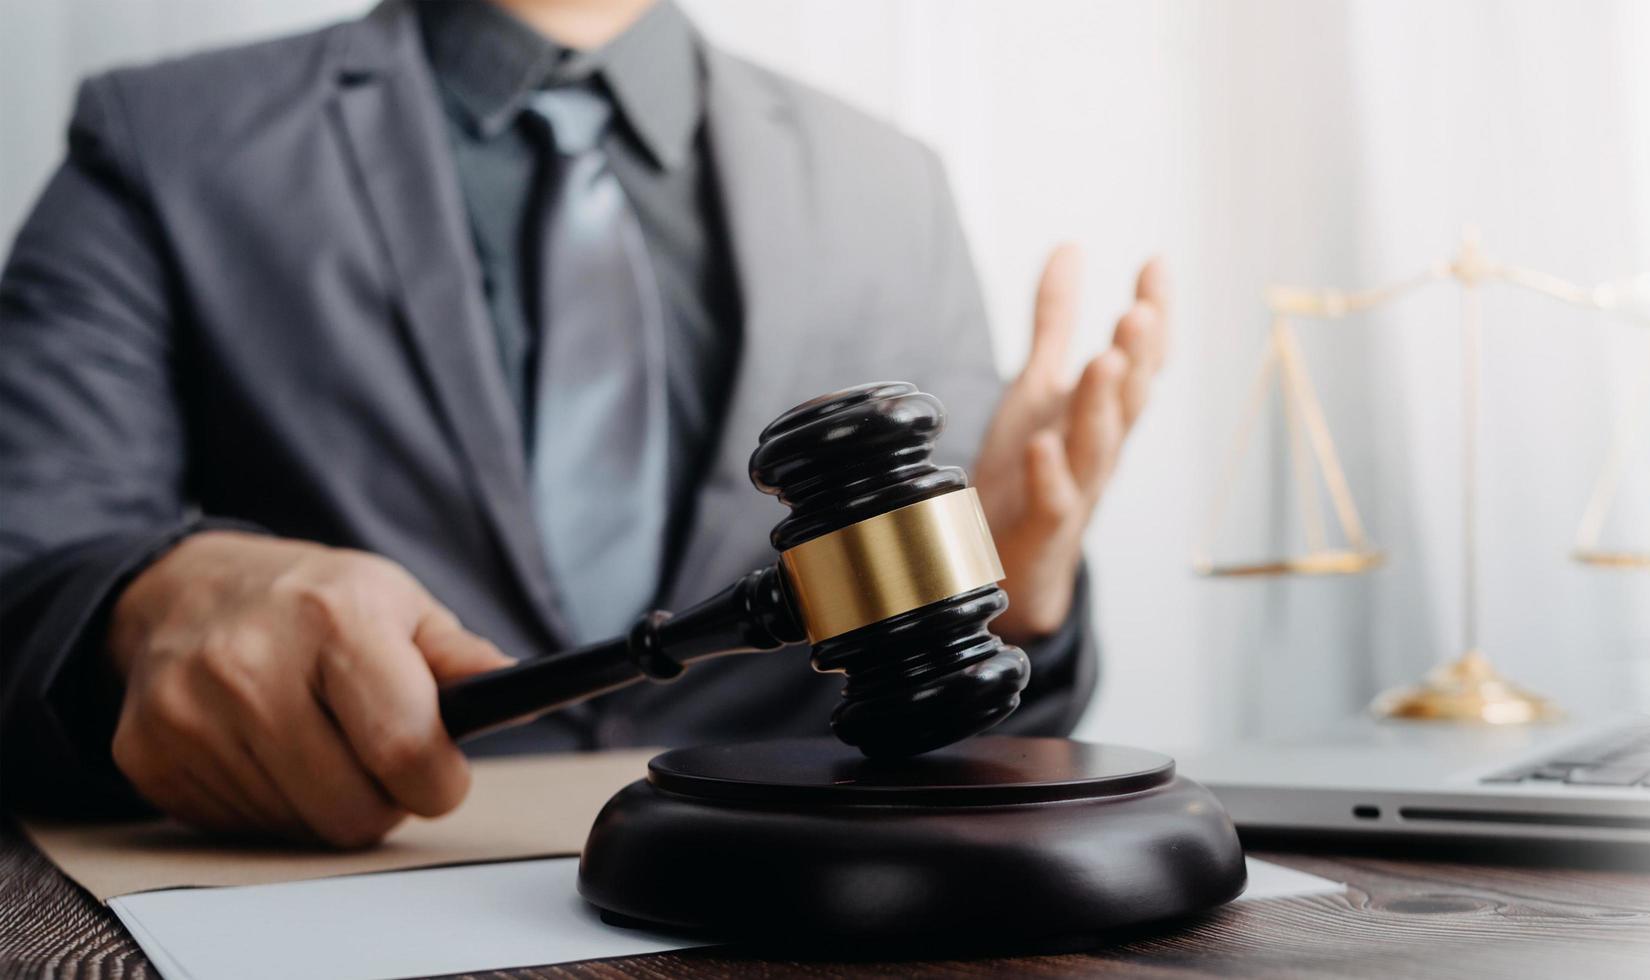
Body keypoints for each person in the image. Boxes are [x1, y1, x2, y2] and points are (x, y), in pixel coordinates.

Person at [0, 0, 1168, 848]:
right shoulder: (165, 139)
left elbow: (971, 695)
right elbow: (30, 558)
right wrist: (147, 601)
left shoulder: (888, 181)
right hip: (348, 881)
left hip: (797, 898)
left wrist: (1021, 598)